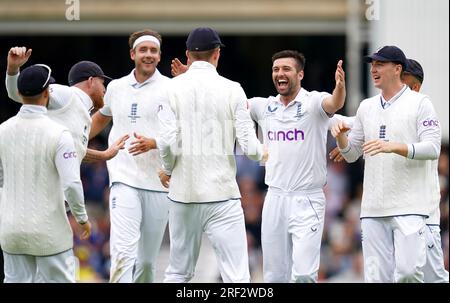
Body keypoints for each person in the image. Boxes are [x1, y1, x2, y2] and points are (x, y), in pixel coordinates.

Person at [155, 27, 265, 283]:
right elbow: (250, 147)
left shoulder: (170, 88)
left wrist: (169, 169)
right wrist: (268, 153)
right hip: (222, 195)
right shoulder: (233, 88)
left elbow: (167, 143)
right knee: (236, 276)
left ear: (187, 55)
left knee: (178, 273)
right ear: (217, 54)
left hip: (183, 195)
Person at [331, 46, 441, 282]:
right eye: (372, 65)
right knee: (376, 278)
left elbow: (432, 148)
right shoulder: (366, 107)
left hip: (411, 207)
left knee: (409, 273)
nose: (374, 69)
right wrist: (341, 137)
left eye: (380, 64)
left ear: (397, 69)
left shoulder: (421, 103)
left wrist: (394, 146)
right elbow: (351, 154)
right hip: (373, 209)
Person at [246, 50, 345, 283]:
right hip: (275, 198)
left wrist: (339, 86)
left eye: (286, 69)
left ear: (300, 74)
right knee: (273, 276)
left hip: (307, 199)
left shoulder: (313, 102)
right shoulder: (264, 106)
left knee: (303, 275)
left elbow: (335, 103)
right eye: (276, 69)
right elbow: (228, 102)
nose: (280, 73)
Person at [88, 29, 170, 283]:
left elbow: (182, 133)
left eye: (153, 51)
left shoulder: (171, 88)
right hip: (123, 178)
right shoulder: (116, 87)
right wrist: (75, 138)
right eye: (143, 50)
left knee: (146, 262)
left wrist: (154, 143)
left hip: (158, 182)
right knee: (123, 252)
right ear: (133, 54)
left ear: (159, 56)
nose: (148, 55)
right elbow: (102, 117)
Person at [0, 64, 91, 282]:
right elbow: (71, 184)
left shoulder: (2, 130)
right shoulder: (60, 134)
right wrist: (82, 219)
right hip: (50, 232)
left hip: (11, 232)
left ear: (20, 94)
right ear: (47, 93)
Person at [5, 47, 128, 164]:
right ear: (91, 81)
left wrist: (105, 155)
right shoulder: (68, 94)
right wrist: (13, 69)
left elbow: (73, 151)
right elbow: (20, 94)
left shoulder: (82, 112)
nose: (104, 89)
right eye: (102, 83)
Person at [401, 59, 448, 283]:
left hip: (423, 214)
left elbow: (432, 149)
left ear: (415, 86)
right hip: (395, 214)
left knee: (434, 278)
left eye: (402, 80)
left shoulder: (422, 110)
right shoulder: (387, 111)